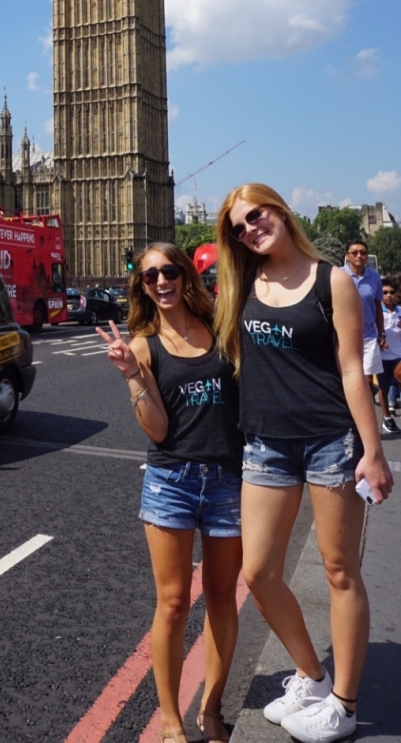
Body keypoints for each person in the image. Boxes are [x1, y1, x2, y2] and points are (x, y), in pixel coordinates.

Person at [214, 184, 394, 743]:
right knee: (259, 572)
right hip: (265, 444)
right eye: (239, 227)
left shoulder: (331, 280)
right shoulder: (241, 284)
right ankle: (313, 678)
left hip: (328, 442)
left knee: (340, 572)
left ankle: (343, 703)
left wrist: (373, 450)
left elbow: (350, 371)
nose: (250, 230)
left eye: (256, 216)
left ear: (280, 211)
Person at [96, 242, 243, 743]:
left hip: (228, 480)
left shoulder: (222, 330)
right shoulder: (142, 346)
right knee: (174, 604)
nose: (161, 281)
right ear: (141, 285)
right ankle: (169, 719)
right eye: (150, 275)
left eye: (169, 271)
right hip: (171, 484)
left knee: (223, 600)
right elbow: (157, 430)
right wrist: (133, 375)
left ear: (185, 276)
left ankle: (211, 708)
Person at [340, 239, 399, 431]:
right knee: (346, 378)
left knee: (366, 382)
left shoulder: (374, 276)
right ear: (347, 255)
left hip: (368, 336)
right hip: (342, 336)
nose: (359, 256)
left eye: (363, 252)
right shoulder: (338, 275)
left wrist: (381, 332)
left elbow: (377, 307)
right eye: (355, 252)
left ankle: (364, 424)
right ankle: (347, 420)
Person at [378, 277, 401, 421]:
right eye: (385, 292)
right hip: (382, 357)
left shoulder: (400, 311)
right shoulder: (377, 313)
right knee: (384, 388)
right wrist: (378, 341)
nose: (388, 296)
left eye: (391, 292)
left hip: (398, 356)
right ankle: (387, 418)